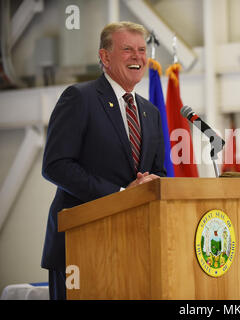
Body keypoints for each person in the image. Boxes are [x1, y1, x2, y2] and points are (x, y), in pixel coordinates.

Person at [41, 21, 166, 300]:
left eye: (141, 50)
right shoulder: (79, 98)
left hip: (134, 249)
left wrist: (154, 182)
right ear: (105, 57)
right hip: (80, 244)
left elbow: (159, 172)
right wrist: (121, 196)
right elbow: (55, 165)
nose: (138, 57)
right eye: (127, 50)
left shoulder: (151, 112)